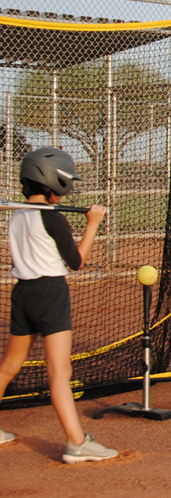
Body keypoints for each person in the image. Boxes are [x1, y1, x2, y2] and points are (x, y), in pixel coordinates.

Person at [0, 147, 118, 463]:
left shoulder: (17, 214)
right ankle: (77, 442)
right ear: (54, 182)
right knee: (59, 371)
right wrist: (93, 222)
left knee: (9, 366)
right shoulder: (53, 218)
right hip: (50, 292)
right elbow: (77, 261)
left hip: (22, 292)